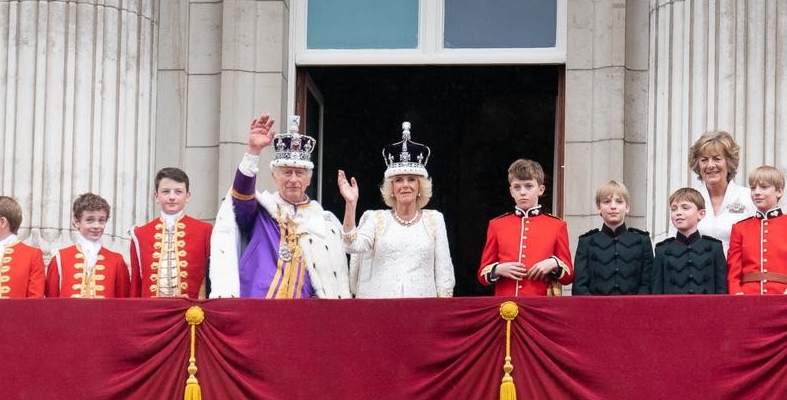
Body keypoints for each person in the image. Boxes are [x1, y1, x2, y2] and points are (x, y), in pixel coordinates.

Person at [209, 115, 351, 299]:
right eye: (286, 172)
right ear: (274, 177)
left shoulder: (325, 222)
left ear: (308, 179)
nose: (293, 179)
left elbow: (333, 274)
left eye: (299, 173)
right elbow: (241, 196)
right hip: (258, 305)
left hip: (303, 313)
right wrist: (253, 151)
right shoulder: (261, 211)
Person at [337, 122, 454, 298]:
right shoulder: (375, 219)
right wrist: (350, 204)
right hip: (379, 311)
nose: (405, 185)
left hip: (422, 312)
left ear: (420, 186)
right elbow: (351, 245)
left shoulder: (434, 220)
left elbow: (444, 274)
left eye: (411, 180)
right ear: (391, 187)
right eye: (398, 180)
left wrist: (441, 314)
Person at [477, 159, 574, 296]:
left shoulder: (557, 225)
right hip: (506, 306)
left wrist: (554, 263)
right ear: (511, 192)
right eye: (517, 187)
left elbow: (568, 276)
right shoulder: (497, 225)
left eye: (529, 186)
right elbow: (482, 275)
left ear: (541, 190)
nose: (522, 192)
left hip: (541, 307)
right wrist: (498, 269)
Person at [128, 168, 212, 298]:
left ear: (187, 196)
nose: (172, 197)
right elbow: (136, 284)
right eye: (166, 192)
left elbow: (211, 277)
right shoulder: (140, 234)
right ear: (156, 196)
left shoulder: (204, 230)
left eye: (178, 192)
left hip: (191, 312)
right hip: (151, 312)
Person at [572, 180, 653, 296]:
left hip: (634, 311)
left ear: (627, 207)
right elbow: (579, 286)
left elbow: (647, 283)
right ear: (598, 207)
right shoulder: (587, 242)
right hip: (596, 311)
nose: (613, 206)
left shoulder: (642, 241)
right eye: (607, 202)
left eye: (619, 201)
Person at [46, 193, 130, 298]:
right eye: (90, 220)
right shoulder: (60, 258)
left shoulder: (116, 260)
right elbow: (51, 301)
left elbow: (122, 303)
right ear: (77, 222)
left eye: (101, 220)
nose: (96, 226)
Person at [689, 131, 754, 254]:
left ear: (729, 163)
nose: (710, 165)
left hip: (736, 271)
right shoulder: (689, 199)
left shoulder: (749, 198)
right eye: (704, 160)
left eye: (717, 159)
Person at [653, 187, 726, 294]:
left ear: (701, 214)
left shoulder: (714, 248)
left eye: (685, 208)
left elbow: (722, 289)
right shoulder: (662, 250)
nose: (678, 212)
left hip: (707, 309)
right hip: (672, 309)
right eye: (674, 209)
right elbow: (656, 291)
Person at [726, 166, 787, 295]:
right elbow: (733, 272)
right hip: (748, 299)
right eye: (753, 188)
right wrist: (737, 293)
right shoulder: (740, 228)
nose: (756, 192)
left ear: (779, 191)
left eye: (763, 187)